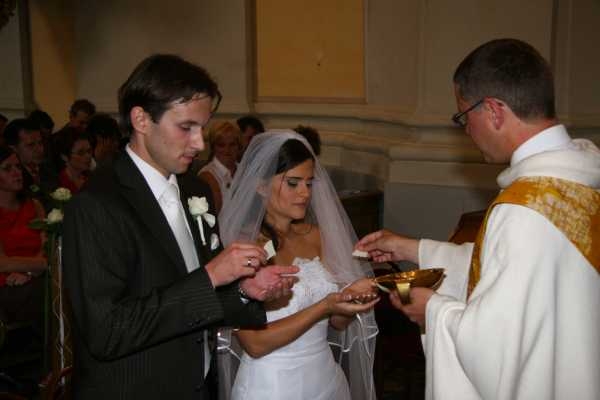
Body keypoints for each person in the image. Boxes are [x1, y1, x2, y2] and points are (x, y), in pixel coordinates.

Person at [356, 38, 600, 400]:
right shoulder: (581, 179)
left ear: (494, 111)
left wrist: (432, 310)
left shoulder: (524, 210)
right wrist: (411, 248)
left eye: (463, 117)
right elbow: (515, 270)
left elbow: (498, 349)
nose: (467, 131)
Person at [62, 54, 298, 400]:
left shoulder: (194, 189)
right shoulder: (97, 205)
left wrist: (245, 290)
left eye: (202, 128)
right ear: (141, 119)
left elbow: (200, 300)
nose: (200, 144)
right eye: (186, 128)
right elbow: (107, 332)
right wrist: (211, 276)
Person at [219, 130, 379, 400]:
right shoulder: (242, 248)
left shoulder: (316, 236)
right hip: (271, 385)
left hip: (324, 377)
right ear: (260, 186)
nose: (305, 193)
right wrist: (324, 306)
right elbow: (255, 344)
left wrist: (350, 301)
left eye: (309, 183)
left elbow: (338, 323)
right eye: (293, 183)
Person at [0, 145, 46, 335]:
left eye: (18, 167)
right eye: (7, 168)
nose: (17, 172)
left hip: (36, 277)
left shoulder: (34, 205)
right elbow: (2, 263)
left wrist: (29, 271)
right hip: (7, 284)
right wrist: (39, 265)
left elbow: (46, 247)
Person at [198, 121, 241, 213]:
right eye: (221, 145)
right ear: (213, 147)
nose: (227, 150)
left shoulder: (245, 170)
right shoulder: (207, 176)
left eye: (232, 144)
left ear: (238, 146)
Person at [56, 130, 93, 194]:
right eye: (81, 153)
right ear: (64, 157)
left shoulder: (91, 177)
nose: (88, 156)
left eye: (89, 151)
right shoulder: (60, 185)